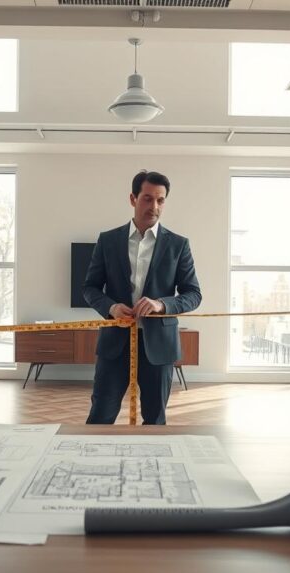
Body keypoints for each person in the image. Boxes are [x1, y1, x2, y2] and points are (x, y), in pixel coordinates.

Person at [83, 170, 202, 425]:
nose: (154, 206)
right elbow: (90, 288)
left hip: (159, 347)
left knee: (155, 421)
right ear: (133, 198)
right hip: (115, 343)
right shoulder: (108, 240)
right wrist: (111, 307)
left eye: (160, 200)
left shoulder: (179, 245)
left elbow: (193, 294)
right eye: (148, 198)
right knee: (100, 416)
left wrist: (161, 304)